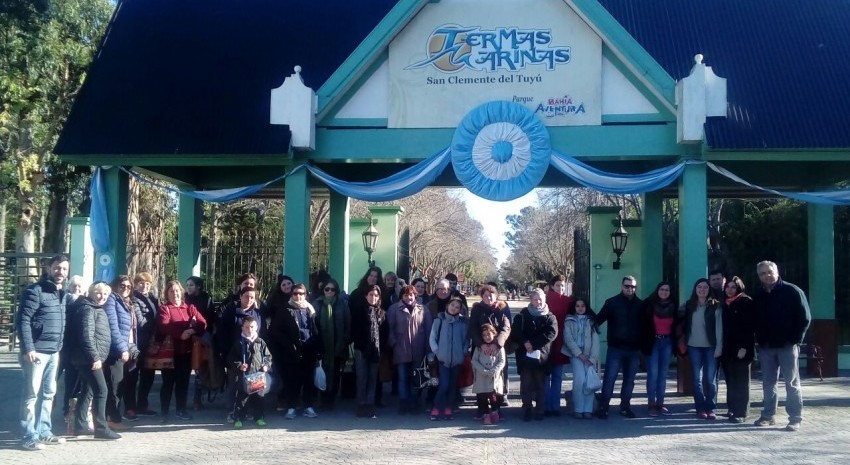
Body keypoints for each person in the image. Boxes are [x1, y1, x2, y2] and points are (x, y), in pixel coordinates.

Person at [15, 254, 69, 450]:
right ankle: (29, 435)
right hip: (36, 353)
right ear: (48, 268)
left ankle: (44, 432)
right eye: (57, 268)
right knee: (31, 396)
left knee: (49, 394)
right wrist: (28, 347)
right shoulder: (35, 291)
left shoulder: (61, 292)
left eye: (64, 268)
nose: (60, 272)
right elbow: (23, 321)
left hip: (54, 351)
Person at [752, 260, 811, 432]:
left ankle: (795, 418)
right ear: (759, 276)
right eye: (762, 273)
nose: (767, 275)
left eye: (769, 272)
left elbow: (805, 318)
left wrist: (795, 340)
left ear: (777, 271)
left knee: (791, 383)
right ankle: (768, 416)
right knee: (768, 382)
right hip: (766, 347)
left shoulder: (792, 291)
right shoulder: (758, 295)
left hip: (787, 346)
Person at [66, 282, 122, 440]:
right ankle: (101, 428)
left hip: (89, 358)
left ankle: (80, 425)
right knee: (101, 391)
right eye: (99, 293)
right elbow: (86, 335)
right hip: (88, 359)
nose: (102, 296)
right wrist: (94, 357)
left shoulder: (95, 308)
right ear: (91, 292)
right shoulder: (87, 308)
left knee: (88, 390)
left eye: (105, 294)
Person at [158, 280, 208, 424]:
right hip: (170, 353)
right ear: (167, 294)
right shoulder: (164, 309)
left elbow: (202, 323)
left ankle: (181, 409)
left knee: (183, 382)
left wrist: (191, 330)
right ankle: (164, 412)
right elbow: (164, 326)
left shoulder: (190, 308)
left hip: (186, 352)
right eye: (171, 291)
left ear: (182, 292)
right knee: (167, 383)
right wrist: (181, 334)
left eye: (177, 291)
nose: (175, 293)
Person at [595, 276, 643, 419]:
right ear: (622, 286)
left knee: (629, 380)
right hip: (616, 348)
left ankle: (625, 407)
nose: (630, 289)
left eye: (633, 286)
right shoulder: (612, 303)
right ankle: (603, 407)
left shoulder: (640, 305)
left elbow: (646, 327)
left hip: (634, 350)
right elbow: (598, 319)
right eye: (627, 286)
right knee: (609, 379)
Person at [273, 283, 324, 419]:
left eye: (301, 293)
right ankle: (291, 407)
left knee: (308, 380)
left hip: (309, 349)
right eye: (295, 293)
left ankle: (308, 406)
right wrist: (289, 345)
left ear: (306, 295)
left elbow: (316, 330)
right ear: (291, 294)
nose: (298, 296)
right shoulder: (285, 309)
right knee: (291, 380)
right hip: (291, 351)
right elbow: (276, 331)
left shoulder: (310, 310)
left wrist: (318, 349)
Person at [510, 288, 558, 422]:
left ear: (545, 300)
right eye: (535, 299)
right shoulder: (522, 315)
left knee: (540, 385)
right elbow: (516, 331)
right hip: (524, 356)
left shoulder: (550, 316)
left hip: (542, 357)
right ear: (531, 300)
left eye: (540, 299)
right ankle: (527, 409)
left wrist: (534, 344)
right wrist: (525, 343)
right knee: (526, 385)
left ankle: (540, 410)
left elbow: (552, 333)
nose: (538, 302)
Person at [217, 287, 264, 420]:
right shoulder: (231, 311)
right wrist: (225, 353)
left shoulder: (257, 313)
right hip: (235, 355)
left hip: (253, 357)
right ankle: (232, 411)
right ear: (240, 297)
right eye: (246, 296)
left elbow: (262, 334)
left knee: (252, 386)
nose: (249, 300)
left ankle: (246, 411)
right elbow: (222, 332)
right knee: (235, 385)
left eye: (252, 297)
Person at [679, 278, 723, 420]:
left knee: (710, 379)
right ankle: (700, 408)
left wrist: (719, 347)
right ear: (695, 289)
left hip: (711, 347)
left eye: (705, 287)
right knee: (697, 380)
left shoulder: (715, 306)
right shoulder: (688, 305)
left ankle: (710, 408)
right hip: (693, 347)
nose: (702, 290)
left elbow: (719, 329)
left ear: (709, 289)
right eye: (699, 287)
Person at [388, 285, 433, 414]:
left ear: (415, 296)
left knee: (416, 377)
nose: (408, 297)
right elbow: (390, 329)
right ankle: (403, 403)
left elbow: (429, 330)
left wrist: (428, 349)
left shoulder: (423, 309)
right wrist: (393, 343)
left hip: (418, 349)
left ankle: (414, 402)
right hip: (401, 349)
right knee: (402, 377)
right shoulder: (394, 309)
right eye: (406, 295)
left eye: (411, 295)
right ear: (401, 296)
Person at [102, 275, 139, 429]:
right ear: (115, 285)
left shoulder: (127, 303)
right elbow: (113, 327)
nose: (125, 288)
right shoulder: (112, 300)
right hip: (115, 350)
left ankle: (112, 417)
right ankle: (112, 419)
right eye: (122, 285)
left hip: (126, 348)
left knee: (120, 385)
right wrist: (122, 348)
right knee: (114, 385)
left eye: (128, 286)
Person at [468, 284, 512, 409]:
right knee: (480, 374)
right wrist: (481, 344)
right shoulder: (477, 309)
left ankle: (498, 401)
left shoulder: (502, 308)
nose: (489, 298)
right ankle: (482, 404)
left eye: (491, 295)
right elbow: (473, 328)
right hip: (481, 348)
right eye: (486, 295)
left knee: (499, 373)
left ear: (496, 295)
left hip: (497, 348)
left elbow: (506, 327)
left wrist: (497, 344)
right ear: (482, 297)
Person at [721, 276, 756, 423]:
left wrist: (744, 347)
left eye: (733, 287)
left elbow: (750, 327)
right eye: (727, 287)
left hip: (742, 348)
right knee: (730, 380)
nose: (729, 289)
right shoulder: (725, 303)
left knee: (742, 381)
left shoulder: (745, 301)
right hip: (727, 348)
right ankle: (732, 408)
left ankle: (741, 412)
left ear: (739, 288)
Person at [312, 277, 351, 409]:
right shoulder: (316, 304)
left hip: (337, 344)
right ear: (323, 290)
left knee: (335, 373)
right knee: (322, 371)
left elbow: (348, 323)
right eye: (327, 289)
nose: (329, 291)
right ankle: (322, 398)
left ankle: (331, 398)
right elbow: (313, 324)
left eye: (332, 289)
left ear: (336, 290)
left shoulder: (342, 304)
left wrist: (345, 339)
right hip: (322, 344)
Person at [641, 281, 678, 417]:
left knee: (663, 374)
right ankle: (651, 404)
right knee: (653, 374)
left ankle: (660, 403)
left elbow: (678, 325)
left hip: (667, 342)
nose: (664, 292)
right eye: (662, 289)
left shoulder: (674, 306)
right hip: (653, 342)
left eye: (667, 290)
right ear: (657, 290)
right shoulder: (649, 305)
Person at [227, 316, 271, 428]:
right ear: (242, 328)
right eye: (247, 327)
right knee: (241, 399)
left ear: (256, 327)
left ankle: (259, 417)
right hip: (244, 377)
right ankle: (239, 418)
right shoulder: (238, 343)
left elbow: (268, 356)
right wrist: (240, 365)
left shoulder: (260, 342)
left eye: (252, 327)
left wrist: (266, 365)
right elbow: (231, 358)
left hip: (258, 376)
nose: (249, 329)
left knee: (259, 399)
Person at [428, 296, 468, 421]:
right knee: (443, 384)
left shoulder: (463, 323)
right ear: (447, 306)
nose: (454, 308)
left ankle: (448, 408)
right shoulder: (439, 320)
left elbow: (466, 340)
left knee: (452, 386)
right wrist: (437, 351)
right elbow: (432, 337)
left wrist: (463, 352)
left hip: (457, 360)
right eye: (452, 305)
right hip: (442, 360)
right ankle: (436, 406)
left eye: (457, 307)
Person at [562, 297, 600, 419]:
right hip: (576, 356)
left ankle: (588, 409)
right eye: (577, 306)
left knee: (589, 382)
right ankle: (578, 408)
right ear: (574, 307)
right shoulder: (569, 321)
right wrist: (579, 354)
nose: (580, 308)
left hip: (590, 357)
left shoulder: (592, 321)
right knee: (580, 381)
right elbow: (568, 339)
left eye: (582, 305)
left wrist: (592, 359)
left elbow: (596, 341)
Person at [350, 285, 384, 418]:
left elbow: (384, 333)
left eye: (376, 295)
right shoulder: (359, 311)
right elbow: (354, 331)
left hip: (376, 350)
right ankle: (361, 405)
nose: (373, 297)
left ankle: (370, 405)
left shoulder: (381, 313)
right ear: (366, 296)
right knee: (362, 378)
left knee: (372, 378)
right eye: (371, 294)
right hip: (361, 349)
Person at [131, 272, 160, 417]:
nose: (144, 286)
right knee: (133, 375)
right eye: (141, 283)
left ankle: (143, 404)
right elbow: (141, 322)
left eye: (147, 284)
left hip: (151, 343)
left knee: (148, 375)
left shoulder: (153, 299)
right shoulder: (134, 299)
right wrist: (157, 326)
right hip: (139, 342)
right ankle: (130, 407)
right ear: (136, 284)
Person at [264, 274, 294, 410]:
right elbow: (267, 317)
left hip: (293, 340)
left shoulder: (297, 298)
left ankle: (292, 398)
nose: (287, 286)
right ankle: (281, 399)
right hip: (276, 340)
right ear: (280, 287)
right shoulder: (274, 300)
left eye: (289, 284)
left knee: (291, 370)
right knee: (280, 370)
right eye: (284, 285)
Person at [544, 274, 572, 416]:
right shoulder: (546, 299)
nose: (560, 288)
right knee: (546, 375)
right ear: (552, 286)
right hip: (547, 342)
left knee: (557, 376)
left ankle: (555, 406)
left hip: (562, 340)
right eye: (558, 285)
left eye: (562, 285)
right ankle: (546, 405)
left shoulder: (568, 300)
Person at [471, 323, 506, 425]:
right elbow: (474, 361)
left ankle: (495, 412)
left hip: (494, 377)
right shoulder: (479, 348)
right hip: (481, 377)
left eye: (489, 334)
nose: (487, 337)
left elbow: (502, 361)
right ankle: (486, 414)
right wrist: (482, 370)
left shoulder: (499, 348)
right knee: (482, 397)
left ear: (494, 334)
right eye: (484, 335)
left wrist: (495, 370)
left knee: (493, 397)